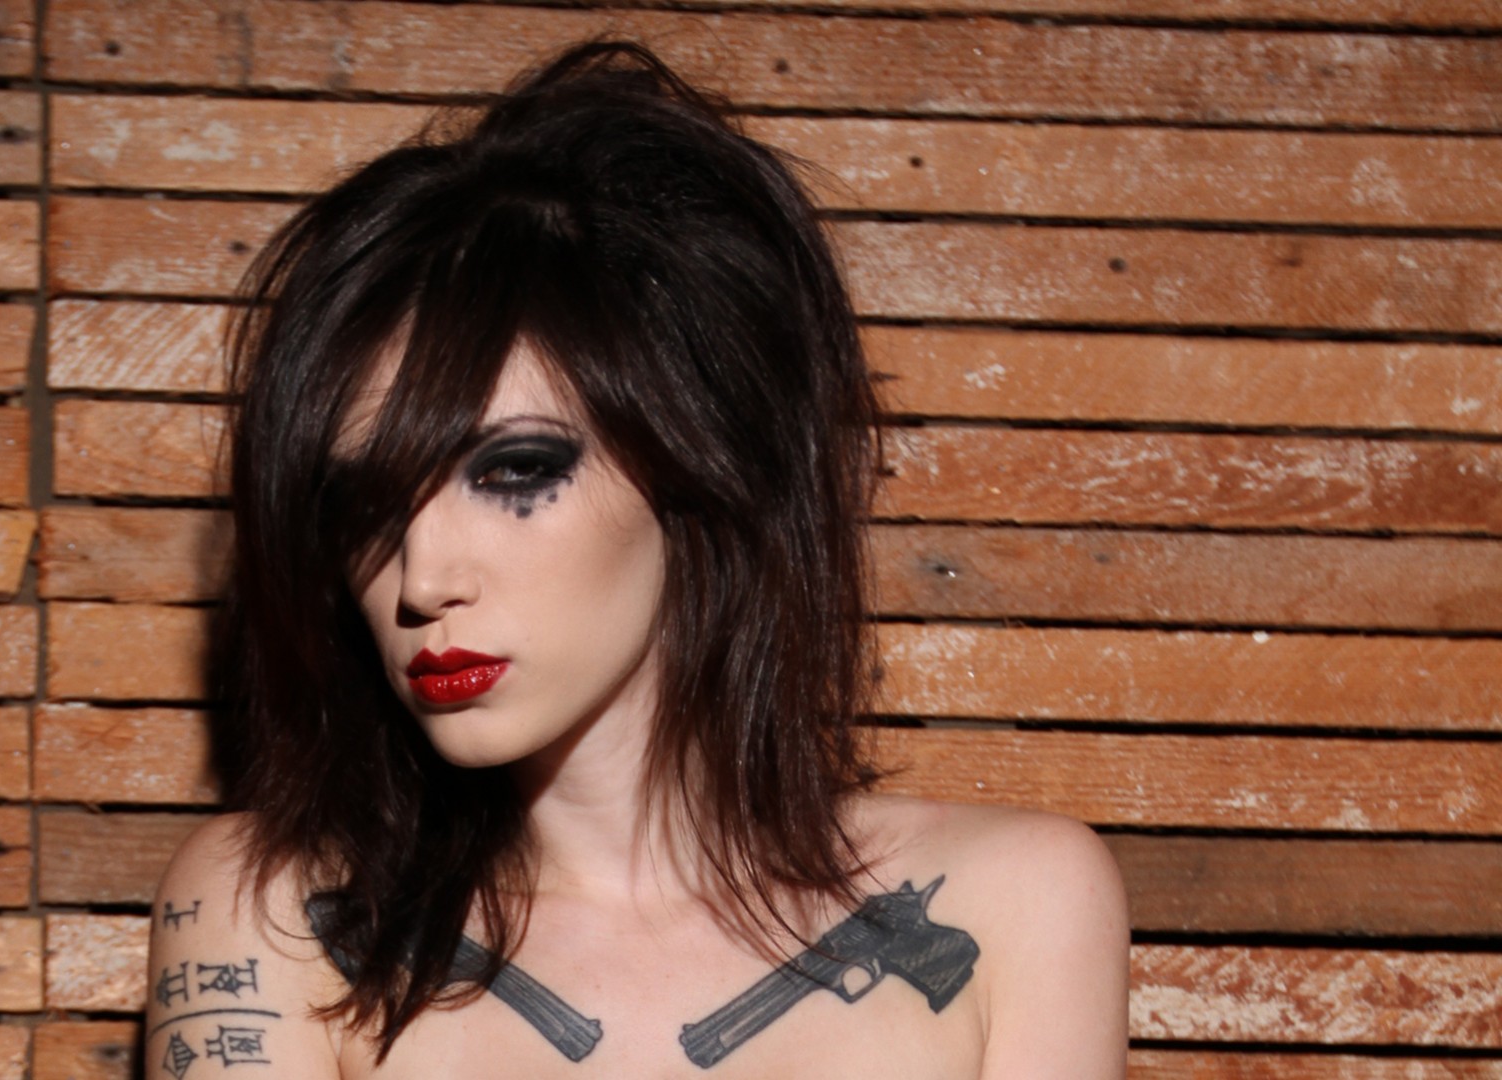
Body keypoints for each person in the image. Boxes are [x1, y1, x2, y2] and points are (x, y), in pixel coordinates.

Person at [147, 40, 1128, 1078]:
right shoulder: (275, 913)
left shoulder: (1017, 900)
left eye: (515, 471)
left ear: (696, 455)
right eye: (366, 505)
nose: (423, 580)